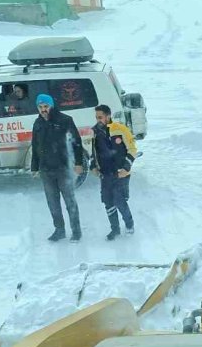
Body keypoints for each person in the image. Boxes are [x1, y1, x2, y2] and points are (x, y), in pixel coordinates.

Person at [30, 93, 84, 242]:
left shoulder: (65, 120)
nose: (43, 109)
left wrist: (79, 163)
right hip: (46, 170)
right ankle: (59, 230)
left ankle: (76, 231)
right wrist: (34, 167)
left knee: (70, 201)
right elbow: (35, 146)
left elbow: (76, 142)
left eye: (46, 106)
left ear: (52, 106)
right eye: (40, 107)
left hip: (63, 168)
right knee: (53, 203)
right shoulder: (37, 123)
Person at [91, 103, 137, 240]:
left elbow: (132, 149)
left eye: (100, 117)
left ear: (108, 116)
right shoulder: (95, 132)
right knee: (108, 202)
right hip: (105, 174)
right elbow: (93, 152)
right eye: (96, 117)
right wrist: (93, 166)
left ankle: (129, 224)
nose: (98, 120)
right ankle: (115, 229)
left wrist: (126, 168)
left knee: (119, 200)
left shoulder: (120, 129)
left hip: (120, 173)